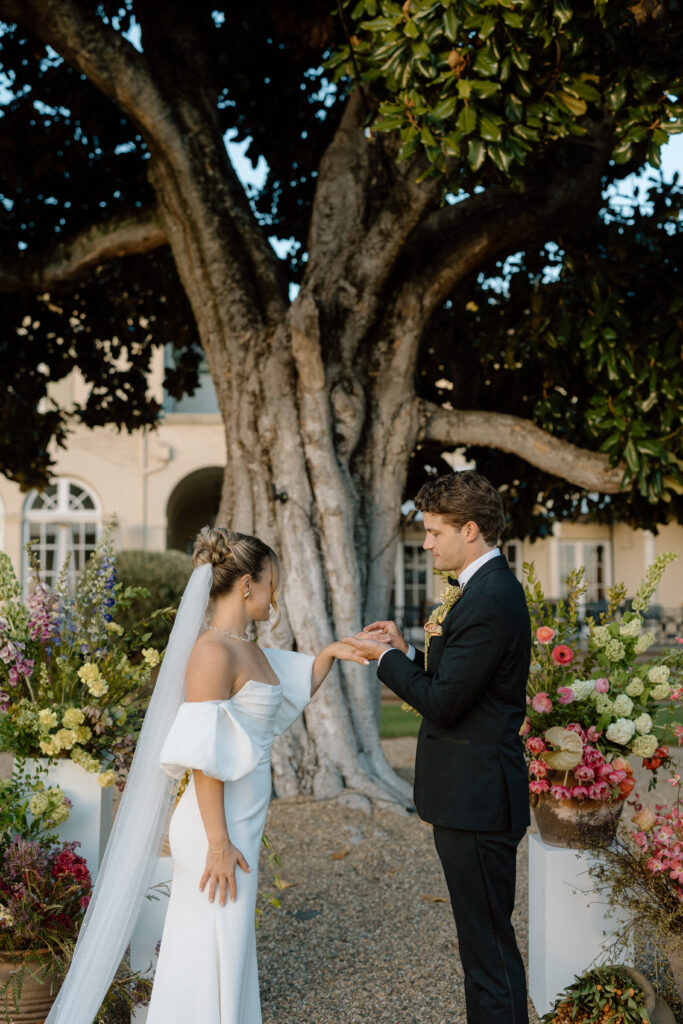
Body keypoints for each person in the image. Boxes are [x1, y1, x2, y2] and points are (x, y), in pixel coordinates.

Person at [44, 527, 367, 1024]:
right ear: (247, 584)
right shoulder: (213, 653)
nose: (275, 595)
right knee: (208, 941)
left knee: (228, 942)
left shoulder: (246, 647)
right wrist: (218, 843)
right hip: (215, 825)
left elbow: (278, 698)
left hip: (241, 819)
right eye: (271, 582)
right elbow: (201, 755)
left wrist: (329, 654)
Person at [344, 471, 531, 1024]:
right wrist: (407, 651)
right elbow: (463, 684)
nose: (426, 543)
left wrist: (384, 660)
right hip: (469, 796)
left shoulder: (489, 597)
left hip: (477, 799)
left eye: (434, 531)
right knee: (479, 945)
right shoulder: (481, 590)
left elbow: (445, 704)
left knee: (489, 950)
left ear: (469, 530)